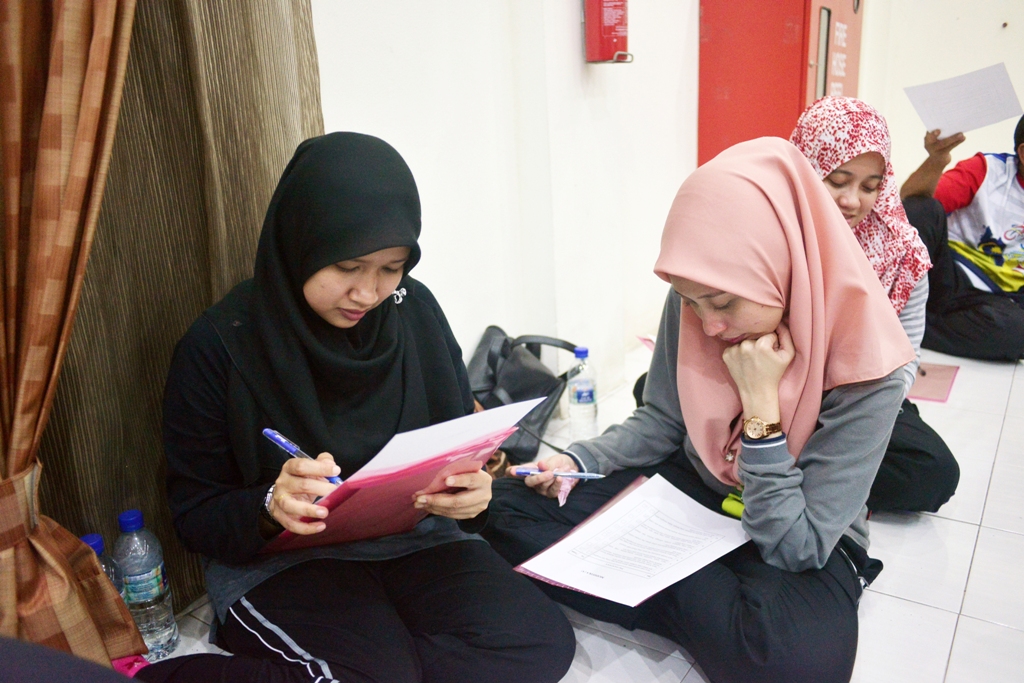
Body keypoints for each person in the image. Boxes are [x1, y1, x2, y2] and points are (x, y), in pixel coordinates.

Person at [138, 133, 575, 683]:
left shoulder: (414, 311)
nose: (368, 293)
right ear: (300, 242)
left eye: (392, 268)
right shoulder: (220, 344)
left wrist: (474, 495)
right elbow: (195, 514)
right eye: (348, 266)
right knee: (376, 673)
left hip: (421, 542)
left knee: (539, 644)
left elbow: (458, 446)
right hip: (286, 563)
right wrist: (270, 505)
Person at [484, 138, 916, 683]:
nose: (708, 325)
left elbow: (797, 547)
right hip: (697, 488)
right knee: (501, 507)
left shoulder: (869, 363)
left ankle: (636, 577)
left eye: (724, 303)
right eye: (692, 302)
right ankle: (690, 601)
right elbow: (663, 420)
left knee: (797, 665)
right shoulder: (694, 298)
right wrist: (579, 460)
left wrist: (761, 409)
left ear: (782, 264)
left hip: (796, 522)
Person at [789, 96, 959, 513]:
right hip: (776, 392)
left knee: (932, 472)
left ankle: (787, 467)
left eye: (869, 187)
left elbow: (906, 355)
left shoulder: (900, 252)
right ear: (804, 169)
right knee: (680, 396)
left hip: (862, 396)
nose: (852, 200)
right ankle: (820, 473)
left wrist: (863, 420)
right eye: (837, 181)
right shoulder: (774, 234)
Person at [898, 114, 1024, 360]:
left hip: (996, 302)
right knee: (921, 209)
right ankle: (894, 311)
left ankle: (906, 328)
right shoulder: (986, 171)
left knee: (1018, 333)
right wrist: (937, 159)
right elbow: (911, 202)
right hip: (945, 274)